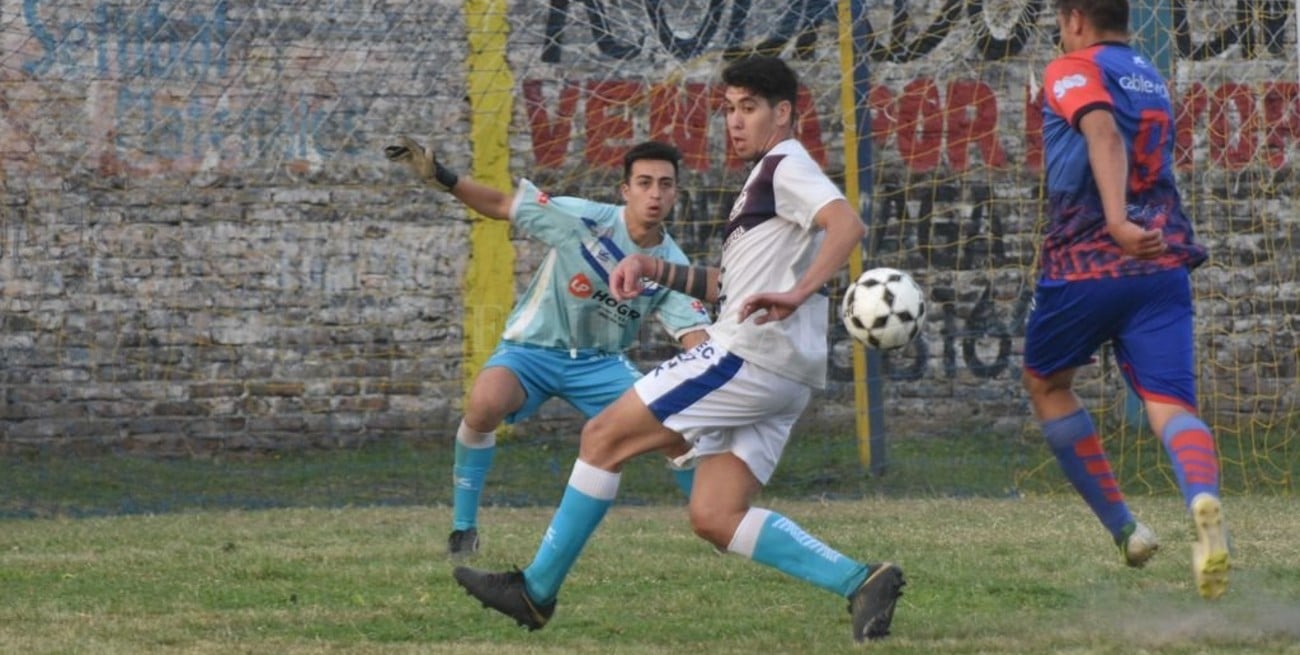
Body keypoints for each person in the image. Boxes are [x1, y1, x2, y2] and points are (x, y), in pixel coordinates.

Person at [451, 55, 906, 644]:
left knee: (602, 437)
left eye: (749, 109)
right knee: (715, 516)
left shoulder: (784, 165)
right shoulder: (765, 180)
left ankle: (534, 592)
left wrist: (796, 293)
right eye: (729, 111)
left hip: (747, 358)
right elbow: (727, 287)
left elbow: (847, 224)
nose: (735, 123)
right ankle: (860, 581)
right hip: (786, 378)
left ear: (784, 112)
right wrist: (649, 266)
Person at [385, 138, 711, 558]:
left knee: (677, 430)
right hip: (531, 350)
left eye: (664, 185)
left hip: (601, 364)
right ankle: (463, 530)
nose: (655, 193)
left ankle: (712, 523)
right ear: (624, 190)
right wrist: (444, 177)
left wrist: (715, 379)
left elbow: (696, 341)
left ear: (674, 194)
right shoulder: (584, 219)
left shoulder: (672, 265)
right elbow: (503, 204)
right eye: (644, 183)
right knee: (485, 402)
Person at [1025, 0, 1228, 599]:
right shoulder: (1149, 74)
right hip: (1161, 261)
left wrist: (1113, 220)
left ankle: (1127, 530)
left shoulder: (1072, 67)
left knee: (1047, 384)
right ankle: (1202, 497)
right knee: (1170, 405)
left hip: (1087, 264)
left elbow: (1101, 131)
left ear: (1077, 18)